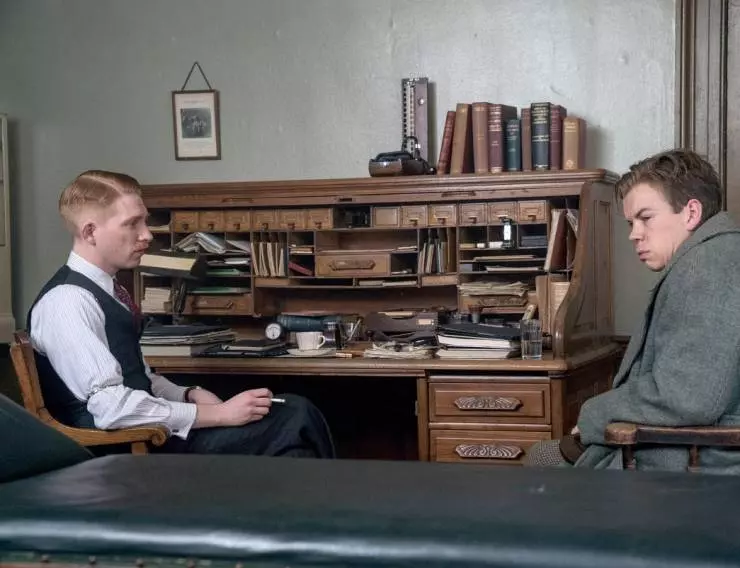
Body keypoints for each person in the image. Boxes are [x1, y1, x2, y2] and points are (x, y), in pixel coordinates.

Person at [28, 170, 334, 458]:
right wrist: (219, 414)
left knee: (294, 412)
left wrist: (188, 394)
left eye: (145, 222)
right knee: (294, 421)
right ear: (90, 232)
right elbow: (112, 408)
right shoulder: (67, 302)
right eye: (132, 224)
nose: (147, 235)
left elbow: (140, 379)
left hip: (149, 435)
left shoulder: (108, 291)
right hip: (124, 448)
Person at [525, 148, 740, 472]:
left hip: (695, 462)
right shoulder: (713, 256)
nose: (634, 234)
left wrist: (595, 414)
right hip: (680, 449)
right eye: (630, 222)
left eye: (646, 218)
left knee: (540, 460)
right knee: (545, 456)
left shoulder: (707, 267)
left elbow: (688, 397)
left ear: (691, 212)